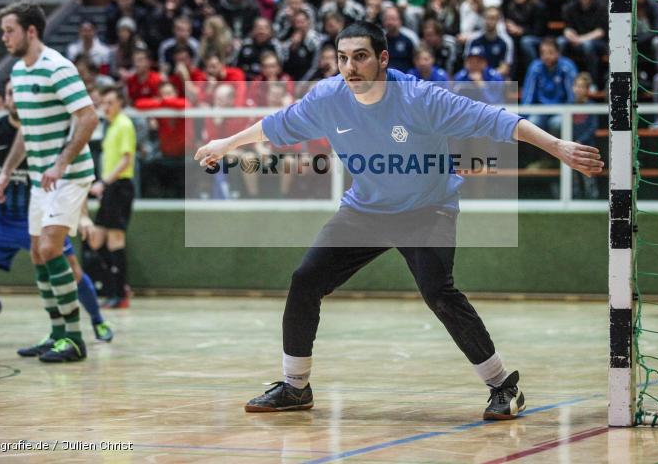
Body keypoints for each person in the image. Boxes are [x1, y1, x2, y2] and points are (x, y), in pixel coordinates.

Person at [193, 21, 602, 417]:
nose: (350, 68)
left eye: (360, 57)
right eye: (342, 58)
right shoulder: (328, 97)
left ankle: (504, 387)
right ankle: (295, 387)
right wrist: (226, 144)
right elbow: (275, 126)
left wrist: (558, 146)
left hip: (427, 209)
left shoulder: (420, 98)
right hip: (365, 210)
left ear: (383, 59)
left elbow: (496, 120)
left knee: (438, 292)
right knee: (305, 281)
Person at [0, 1, 100, 363]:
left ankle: (74, 338)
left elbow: (88, 118)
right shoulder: (19, 74)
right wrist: (7, 171)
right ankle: (56, 332)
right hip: (42, 179)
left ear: (31, 31)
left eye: (10, 30)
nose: (4, 37)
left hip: (69, 175)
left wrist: (59, 163)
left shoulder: (58, 67)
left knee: (51, 249)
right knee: (38, 254)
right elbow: (27, 132)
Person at [0, 81, 112, 342]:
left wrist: (84, 215)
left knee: (72, 271)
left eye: (19, 93)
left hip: (41, 213)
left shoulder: (48, 130)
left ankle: (97, 320)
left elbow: (74, 176)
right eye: (10, 93)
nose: (15, 98)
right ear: (5, 99)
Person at [85, 87, 137, 309]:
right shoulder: (111, 126)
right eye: (103, 103)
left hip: (120, 187)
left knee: (116, 239)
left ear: (120, 103)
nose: (106, 107)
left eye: (110, 103)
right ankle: (116, 287)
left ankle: (120, 293)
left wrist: (104, 183)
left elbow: (126, 160)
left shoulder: (124, 124)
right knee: (96, 239)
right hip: (110, 188)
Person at [521, 38, 578, 135]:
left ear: (558, 53)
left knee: (556, 123)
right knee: (532, 123)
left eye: (550, 52)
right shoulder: (535, 67)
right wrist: (522, 118)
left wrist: (571, 112)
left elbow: (572, 95)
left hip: (561, 111)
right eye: (543, 53)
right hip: (541, 111)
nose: (546, 56)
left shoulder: (567, 66)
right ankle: (540, 150)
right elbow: (528, 95)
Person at [558, 0, 608, 86]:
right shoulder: (570, 7)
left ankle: (593, 83)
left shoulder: (602, 7)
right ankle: (562, 80)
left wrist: (581, 39)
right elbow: (567, 29)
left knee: (587, 46)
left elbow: (601, 32)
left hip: (597, 43)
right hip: (576, 41)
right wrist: (571, 36)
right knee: (560, 42)